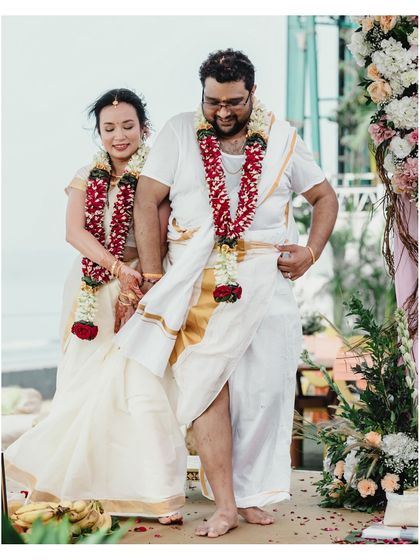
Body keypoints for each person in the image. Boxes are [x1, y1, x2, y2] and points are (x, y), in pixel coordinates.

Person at [117, 50, 338, 537]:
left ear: (251, 94)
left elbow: (324, 198)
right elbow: (147, 199)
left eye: (233, 102)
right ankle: (226, 505)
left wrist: (311, 252)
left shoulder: (281, 137)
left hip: (266, 275)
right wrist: (153, 276)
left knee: (264, 392)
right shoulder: (179, 131)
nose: (221, 112)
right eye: (212, 101)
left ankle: (254, 493)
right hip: (195, 279)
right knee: (206, 389)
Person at [5, 88, 187, 523]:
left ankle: (158, 493)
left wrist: (138, 280)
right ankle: (85, 484)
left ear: (145, 128)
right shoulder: (85, 176)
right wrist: (114, 269)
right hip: (92, 292)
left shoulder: (160, 176)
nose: (119, 136)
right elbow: (75, 233)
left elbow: (164, 235)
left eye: (128, 126)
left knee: (142, 389)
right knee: (82, 389)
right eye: (109, 128)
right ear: (99, 133)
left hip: (146, 290)